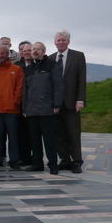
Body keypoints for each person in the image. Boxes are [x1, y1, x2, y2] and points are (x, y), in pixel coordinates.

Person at [48, 30, 87, 173]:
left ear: (68, 41)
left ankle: (76, 162)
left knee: (74, 133)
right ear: (54, 42)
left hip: (72, 102)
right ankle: (65, 159)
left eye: (63, 40)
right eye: (58, 40)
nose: (61, 43)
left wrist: (80, 100)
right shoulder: (51, 59)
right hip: (55, 104)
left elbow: (81, 79)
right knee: (59, 133)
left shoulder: (78, 56)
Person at [23, 42, 63, 175]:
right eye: (33, 49)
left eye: (38, 49)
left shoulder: (52, 65)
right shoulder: (28, 69)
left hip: (47, 110)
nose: (35, 51)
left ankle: (53, 164)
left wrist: (57, 105)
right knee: (34, 140)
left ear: (44, 52)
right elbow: (25, 91)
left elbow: (58, 85)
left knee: (49, 140)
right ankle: (37, 164)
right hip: (32, 111)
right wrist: (25, 108)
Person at [0, 45, 24, 169]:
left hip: (11, 109)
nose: (1, 55)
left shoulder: (17, 70)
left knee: (13, 136)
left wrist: (15, 101)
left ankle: (14, 160)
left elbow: (19, 88)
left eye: (3, 53)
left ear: (8, 54)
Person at [15, 43, 34, 166]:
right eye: (23, 50)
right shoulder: (17, 66)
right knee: (21, 133)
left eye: (28, 50)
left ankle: (35, 157)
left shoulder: (37, 65)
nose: (26, 52)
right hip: (19, 104)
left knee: (33, 133)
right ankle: (24, 157)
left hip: (34, 104)